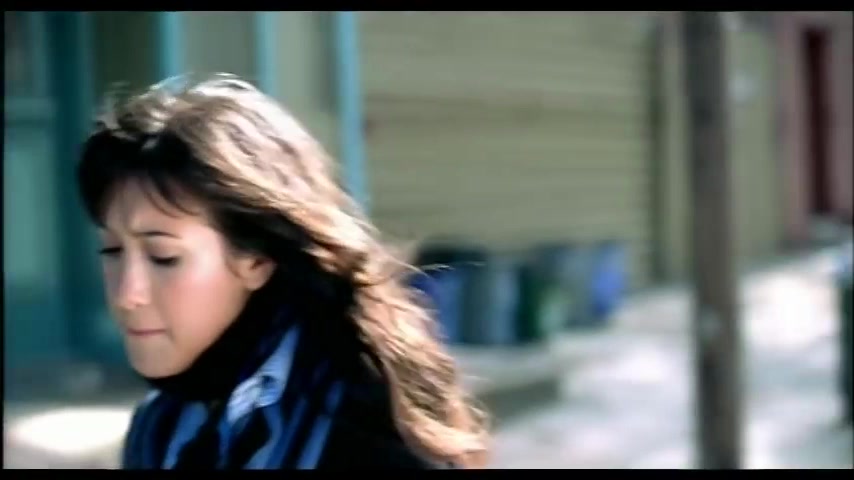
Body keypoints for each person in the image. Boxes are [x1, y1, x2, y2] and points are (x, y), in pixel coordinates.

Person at [76, 74, 490, 469]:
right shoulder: (161, 426)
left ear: (256, 259)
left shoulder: (366, 423)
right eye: (112, 251)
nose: (127, 294)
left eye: (163, 257)